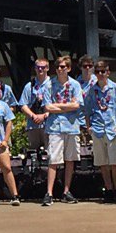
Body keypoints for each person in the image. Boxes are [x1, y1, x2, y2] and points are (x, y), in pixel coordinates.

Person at [42, 55, 83, 206]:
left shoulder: (75, 85)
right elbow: (47, 107)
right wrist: (67, 106)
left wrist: (57, 106)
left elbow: (77, 105)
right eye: (58, 67)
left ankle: (66, 191)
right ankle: (49, 193)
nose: (60, 69)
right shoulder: (49, 85)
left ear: (69, 69)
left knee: (69, 160)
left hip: (71, 127)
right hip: (55, 127)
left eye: (63, 67)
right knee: (53, 159)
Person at [84, 60, 116, 202]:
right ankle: (108, 189)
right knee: (102, 162)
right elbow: (87, 110)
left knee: (114, 162)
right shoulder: (92, 90)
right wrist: (89, 127)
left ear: (108, 72)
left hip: (112, 129)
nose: (100, 74)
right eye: (97, 72)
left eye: (103, 71)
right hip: (97, 129)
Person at [19, 58, 52, 159]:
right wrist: (33, 116)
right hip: (33, 125)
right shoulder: (29, 86)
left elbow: (57, 104)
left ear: (47, 68)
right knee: (33, 156)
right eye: (38, 67)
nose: (40, 69)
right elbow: (23, 105)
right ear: (35, 69)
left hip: (49, 125)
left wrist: (44, 115)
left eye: (43, 67)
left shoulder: (53, 84)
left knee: (50, 154)